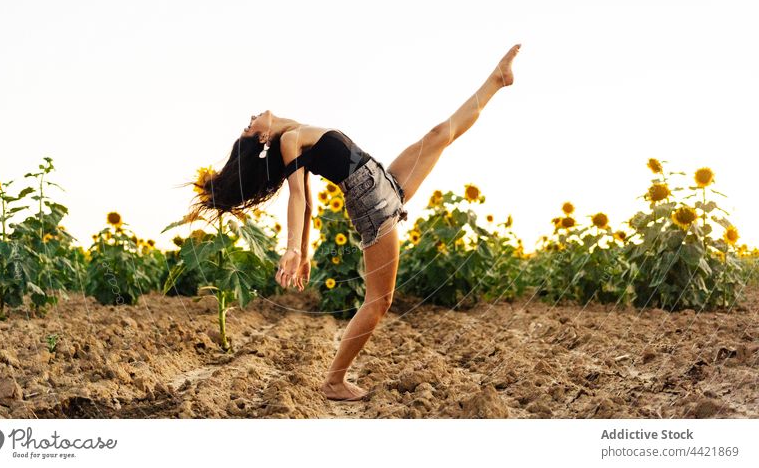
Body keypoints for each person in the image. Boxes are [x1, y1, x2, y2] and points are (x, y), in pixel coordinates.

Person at [185, 43, 521, 401]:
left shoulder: (296, 133)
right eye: (250, 127)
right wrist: (291, 249)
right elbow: (297, 197)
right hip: (372, 200)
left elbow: (310, 205)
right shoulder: (288, 141)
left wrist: (307, 253)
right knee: (379, 301)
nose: (252, 118)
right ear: (264, 138)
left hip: (383, 181)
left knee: (441, 134)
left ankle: (497, 80)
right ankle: (334, 381)